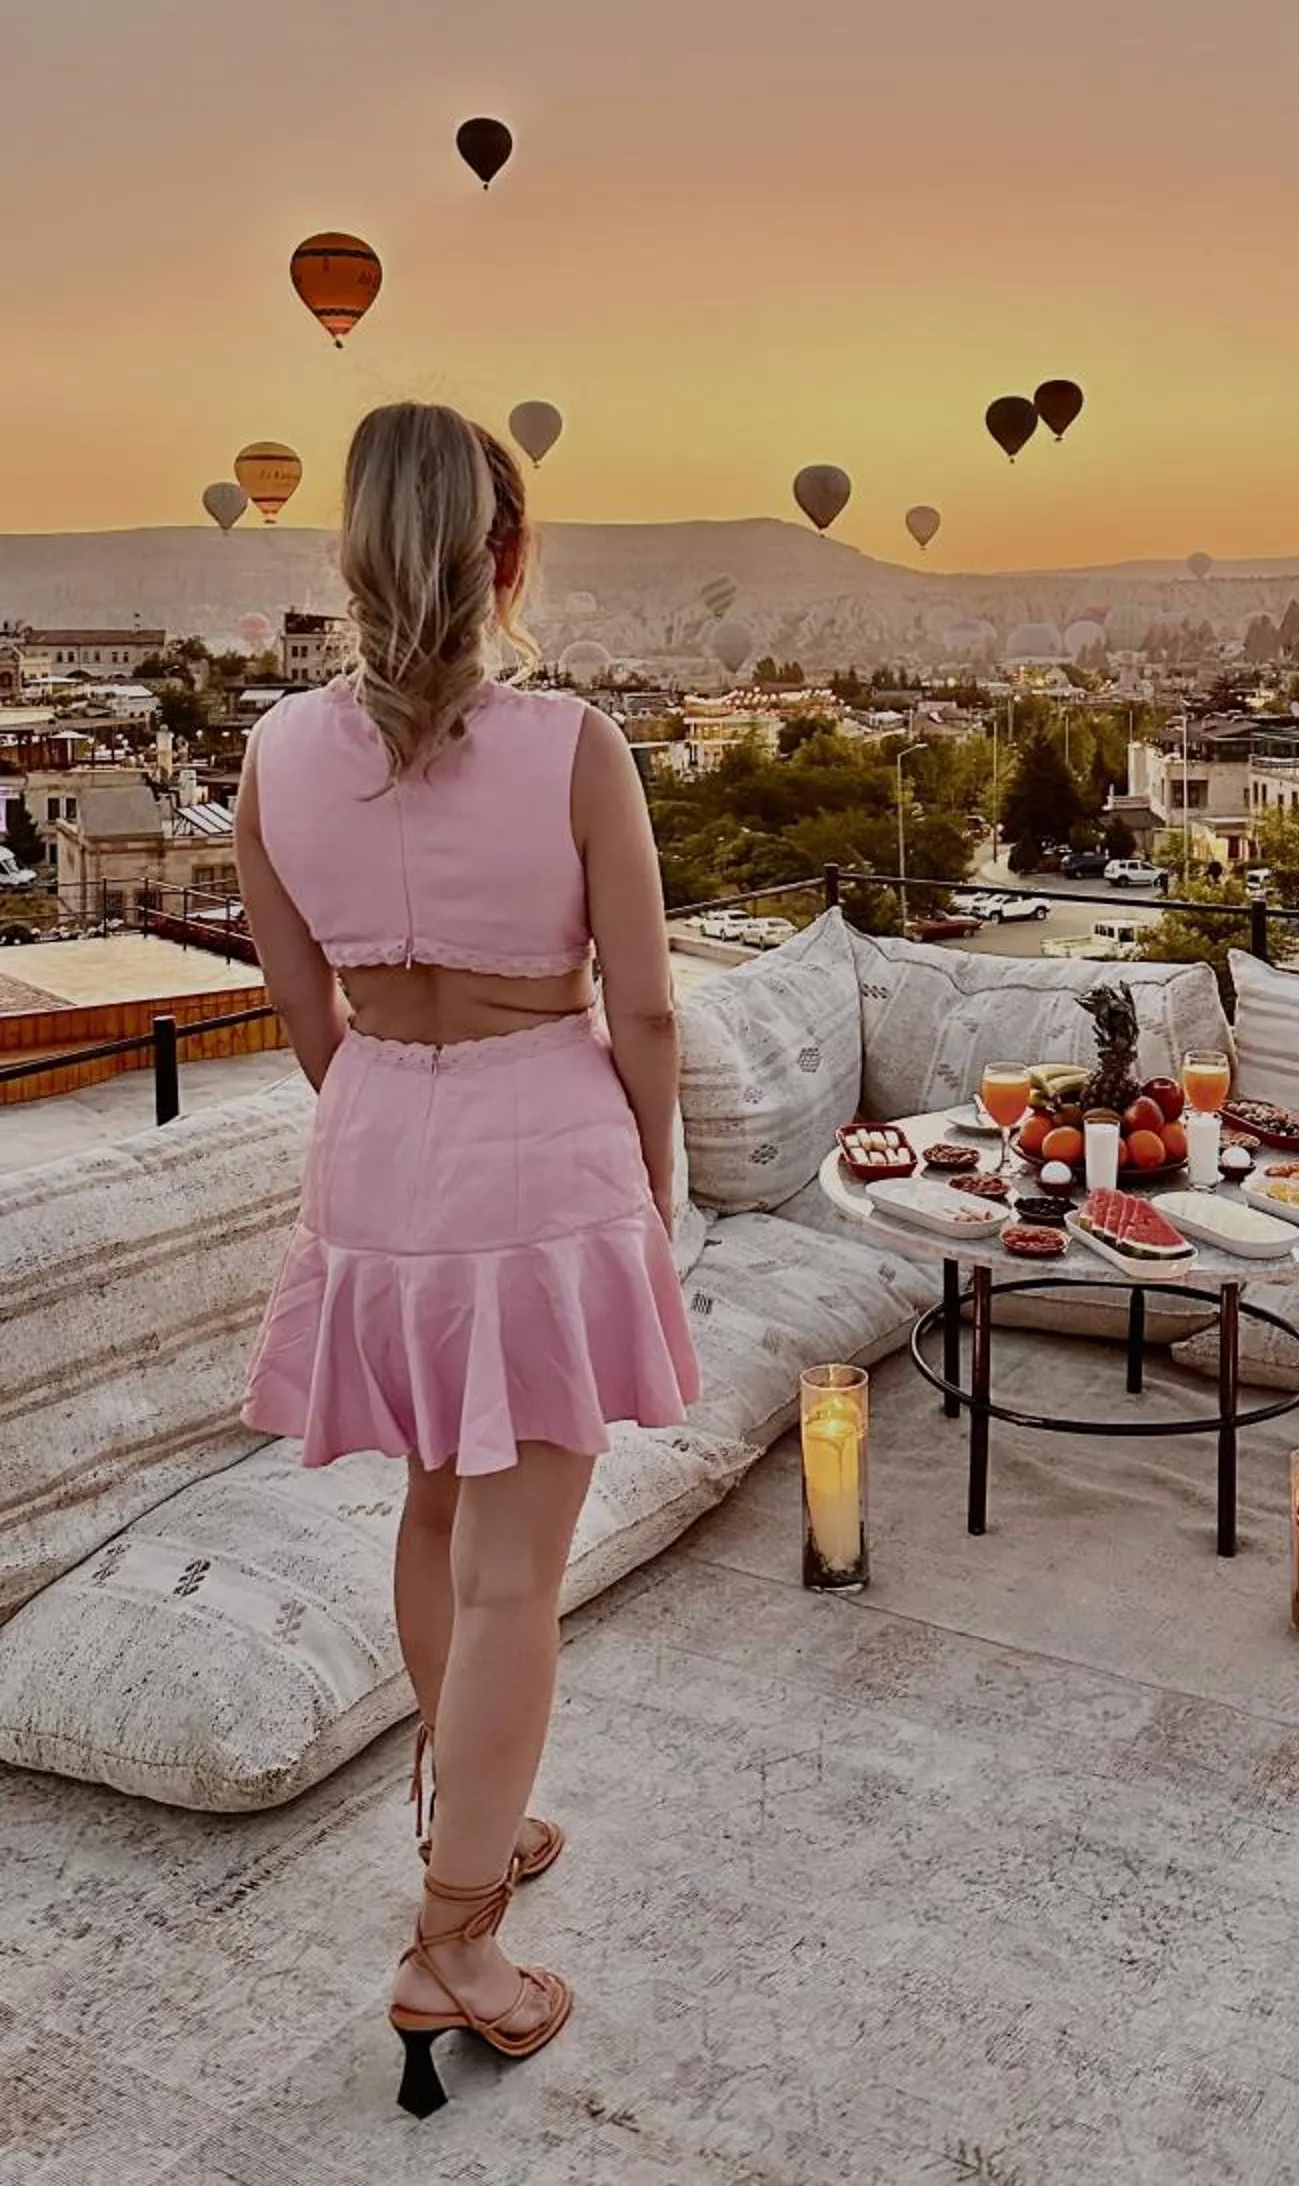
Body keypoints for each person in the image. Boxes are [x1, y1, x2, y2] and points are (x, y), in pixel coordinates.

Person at [236, 400, 698, 2117]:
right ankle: (455, 1944)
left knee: (440, 1510)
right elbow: (643, 1002)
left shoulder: (273, 755)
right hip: (538, 1145)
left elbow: (307, 1017)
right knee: (518, 1569)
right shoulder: (573, 743)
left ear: (353, 551)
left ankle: (472, 1816)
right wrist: (643, 1186)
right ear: (508, 555)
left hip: (380, 1151)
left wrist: (394, 1134)